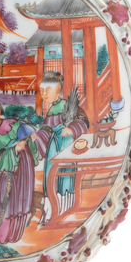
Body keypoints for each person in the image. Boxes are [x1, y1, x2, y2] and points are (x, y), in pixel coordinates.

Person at [0, 99, 43, 245]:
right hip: (11, 166)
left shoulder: (14, 124)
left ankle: (13, 235)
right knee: (5, 198)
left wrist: (31, 139)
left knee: (18, 197)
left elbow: (30, 135)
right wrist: (13, 150)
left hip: (22, 165)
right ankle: (4, 235)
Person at [34, 72, 89, 211]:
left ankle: (65, 206)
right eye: (41, 91)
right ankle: (52, 207)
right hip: (53, 149)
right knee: (51, 176)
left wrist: (71, 129)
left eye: (48, 90)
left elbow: (82, 119)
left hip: (66, 145)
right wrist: (37, 137)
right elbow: (46, 131)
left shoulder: (67, 105)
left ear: (58, 89)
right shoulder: (51, 110)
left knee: (65, 174)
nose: (44, 94)